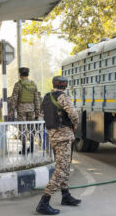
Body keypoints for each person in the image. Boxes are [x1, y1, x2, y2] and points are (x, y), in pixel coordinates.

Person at [36, 76, 81, 215]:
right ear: (65, 85)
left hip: (53, 136)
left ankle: (65, 195)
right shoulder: (63, 97)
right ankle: (44, 202)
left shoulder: (46, 97)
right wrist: (75, 124)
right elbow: (74, 114)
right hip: (63, 136)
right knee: (61, 169)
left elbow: (41, 114)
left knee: (64, 165)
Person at [9, 67, 40, 154]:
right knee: (31, 128)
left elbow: (14, 98)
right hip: (31, 108)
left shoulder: (18, 84)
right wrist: (37, 110)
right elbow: (36, 98)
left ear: (20, 74)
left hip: (21, 109)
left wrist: (11, 110)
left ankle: (23, 149)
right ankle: (32, 147)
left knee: (22, 128)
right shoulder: (33, 84)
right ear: (28, 74)